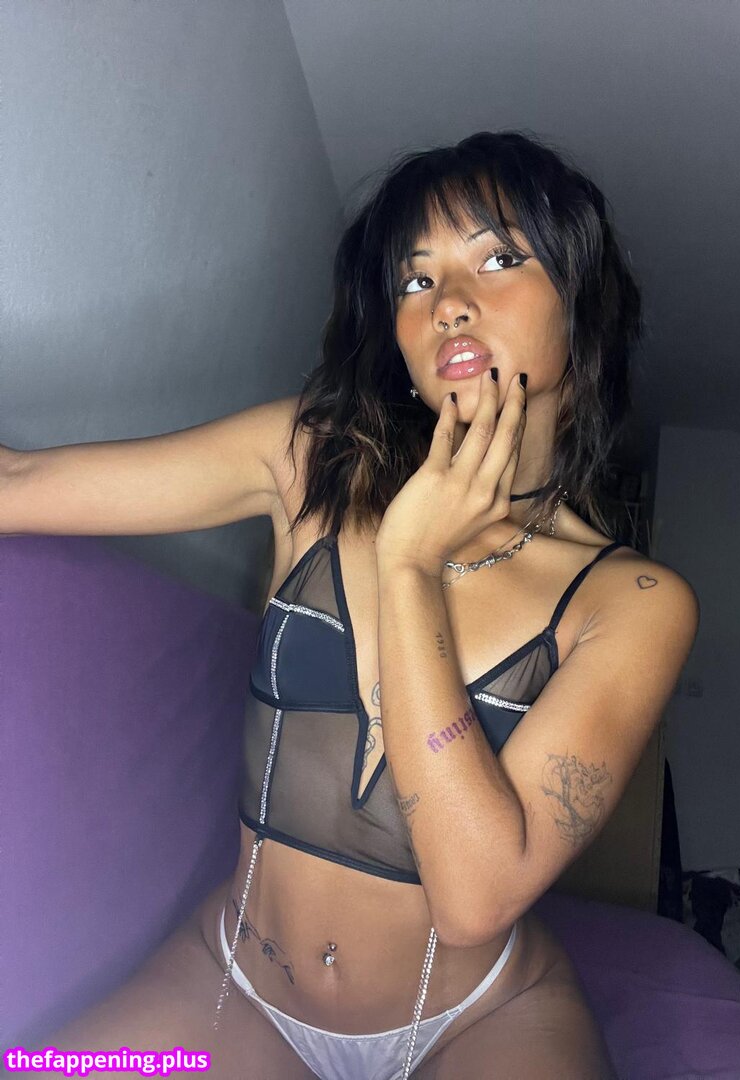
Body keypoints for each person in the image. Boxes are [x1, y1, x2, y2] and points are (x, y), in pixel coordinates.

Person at [2, 129, 699, 1079]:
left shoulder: (632, 600)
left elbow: (475, 899)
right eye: (417, 279)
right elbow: (20, 482)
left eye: (499, 258)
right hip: (234, 983)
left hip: (479, 1017)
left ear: (581, 311)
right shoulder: (309, 459)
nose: (449, 301)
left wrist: (408, 565)